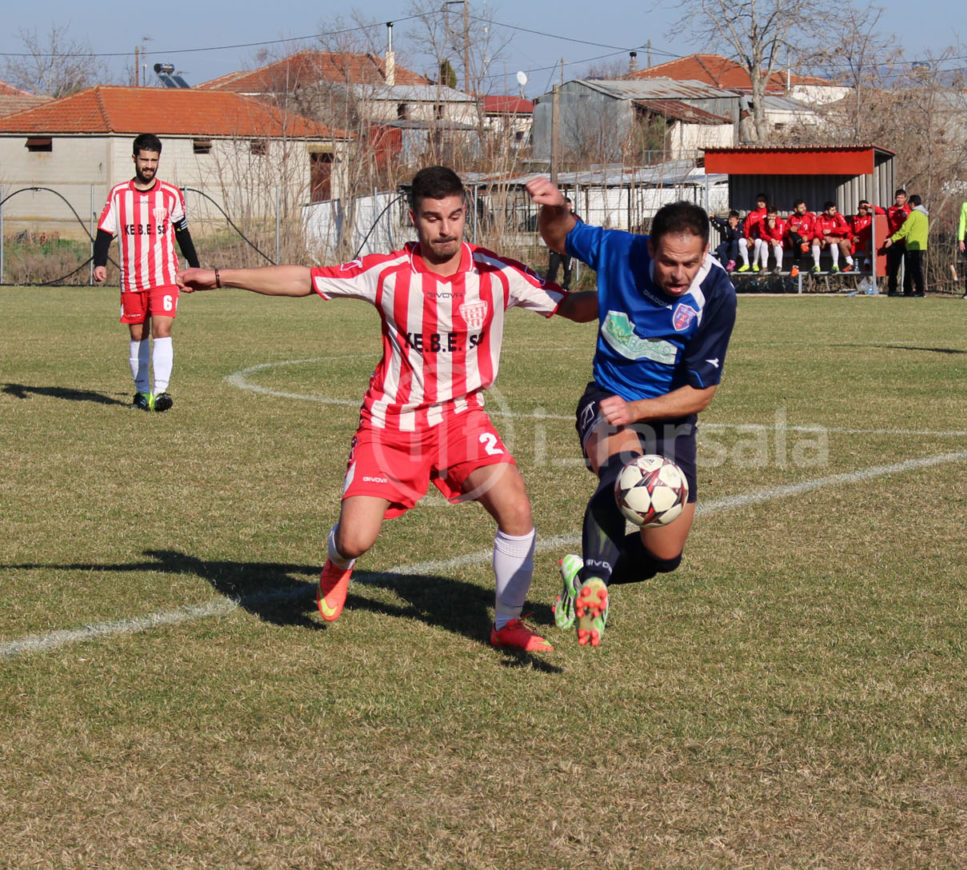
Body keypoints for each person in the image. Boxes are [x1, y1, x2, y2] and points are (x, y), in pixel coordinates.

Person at [177, 166, 597, 652]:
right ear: (413, 219)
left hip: (462, 419)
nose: (447, 229)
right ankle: (337, 564)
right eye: (434, 218)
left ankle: (506, 624)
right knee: (357, 539)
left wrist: (637, 294)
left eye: (456, 216)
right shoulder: (387, 273)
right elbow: (305, 279)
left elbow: (572, 307)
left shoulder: (496, 273)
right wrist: (220, 276)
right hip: (392, 424)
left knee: (516, 508)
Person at [527, 177, 737, 648]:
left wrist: (640, 408)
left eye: (690, 262)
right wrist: (556, 205)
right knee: (620, 473)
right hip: (607, 396)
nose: (679, 273)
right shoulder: (619, 250)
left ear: (703, 254)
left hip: (671, 416)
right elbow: (561, 235)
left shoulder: (716, 293)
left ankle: (583, 570)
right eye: (668, 261)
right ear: (650, 249)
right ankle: (595, 587)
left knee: (664, 556)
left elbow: (702, 392)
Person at [93, 133, 200, 411]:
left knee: (162, 329)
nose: (149, 166)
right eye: (144, 160)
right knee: (137, 335)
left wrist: (195, 267)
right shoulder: (119, 195)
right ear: (134, 159)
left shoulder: (171, 195)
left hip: (164, 276)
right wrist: (100, 263)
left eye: (154, 160)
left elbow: (182, 232)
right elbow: (105, 232)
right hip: (131, 278)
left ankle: (161, 392)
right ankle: (141, 394)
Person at [882, 193, 929, 296]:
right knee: (915, 269)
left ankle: (919, 290)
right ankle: (914, 290)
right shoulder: (924, 215)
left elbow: (904, 229)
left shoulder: (914, 214)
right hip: (921, 245)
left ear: (912, 204)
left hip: (913, 245)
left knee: (915, 269)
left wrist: (892, 239)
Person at [811, 201, 853, 274]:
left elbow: (846, 229)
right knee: (815, 241)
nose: (835, 211)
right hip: (825, 241)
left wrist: (831, 231)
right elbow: (817, 231)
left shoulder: (838, 216)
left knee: (833, 241)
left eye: (835, 209)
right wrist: (823, 238)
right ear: (826, 211)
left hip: (837, 240)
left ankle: (835, 265)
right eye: (832, 210)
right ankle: (817, 266)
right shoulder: (820, 218)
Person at [884, 189, 911, 295]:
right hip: (894, 241)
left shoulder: (909, 210)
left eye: (901, 197)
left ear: (905, 198)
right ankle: (892, 289)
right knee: (894, 267)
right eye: (897, 197)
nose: (899, 199)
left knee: (908, 267)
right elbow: (880, 212)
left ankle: (907, 290)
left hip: (907, 241)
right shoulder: (890, 210)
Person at [545, 196, 575, 289]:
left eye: (568, 205)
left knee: (567, 269)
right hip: (555, 248)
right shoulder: (555, 216)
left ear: (571, 206)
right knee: (552, 268)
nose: (567, 207)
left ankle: (565, 286)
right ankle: (549, 286)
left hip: (568, 249)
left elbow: (581, 229)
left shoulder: (575, 217)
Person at [850, 199, 886, 274]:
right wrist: (852, 237)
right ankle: (849, 263)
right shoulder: (854, 218)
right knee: (845, 243)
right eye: (861, 209)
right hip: (857, 242)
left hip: (867, 241)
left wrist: (870, 206)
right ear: (858, 209)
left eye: (865, 209)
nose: (863, 211)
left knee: (867, 243)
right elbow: (849, 230)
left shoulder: (871, 216)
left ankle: (867, 263)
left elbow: (882, 212)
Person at [737, 193, 768, 272]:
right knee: (741, 241)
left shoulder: (768, 213)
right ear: (756, 202)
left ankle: (755, 263)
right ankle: (746, 264)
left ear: (766, 202)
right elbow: (746, 227)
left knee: (758, 241)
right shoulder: (751, 214)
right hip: (750, 239)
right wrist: (748, 238)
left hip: (762, 240)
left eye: (763, 201)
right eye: (759, 201)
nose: (761, 203)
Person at [785, 200, 816, 276]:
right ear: (795, 209)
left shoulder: (811, 216)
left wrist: (808, 237)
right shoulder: (791, 218)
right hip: (797, 243)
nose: (804, 209)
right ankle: (801, 244)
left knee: (797, 242)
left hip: (807, 242)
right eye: (801, 208)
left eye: (804, 206)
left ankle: (795, 266)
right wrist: (790, 229)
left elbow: (816, 231)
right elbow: (785, 232)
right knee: (793, 234)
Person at [763, 208, 788, 273]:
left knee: (778, 244)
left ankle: (779, 266)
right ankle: (764, 267)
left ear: (776, 215)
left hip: (779, 241)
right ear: (766, 215)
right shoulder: (762, 221)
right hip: (769, 241)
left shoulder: (780, 222)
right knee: (763, 243)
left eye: (773, 216)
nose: (771, 218)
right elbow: (762, 234)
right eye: (769, 216)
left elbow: (779, 237)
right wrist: (771, 239)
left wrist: (772, 228)